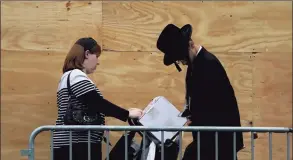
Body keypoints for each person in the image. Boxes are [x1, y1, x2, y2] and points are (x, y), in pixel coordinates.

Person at [156, 24, 244, 160]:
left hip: (219, 139)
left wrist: (195, 118)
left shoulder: (208, 64)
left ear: (190, 45)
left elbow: (215, 105)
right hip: (212, 139)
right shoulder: (196, 64)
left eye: (181, 57)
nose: (182, 62)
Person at [52, 37, 143, 160]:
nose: (98, 62)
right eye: (97, 56)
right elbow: (97, 103)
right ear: (87, 54)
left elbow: (90, 107)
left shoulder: (67, 77)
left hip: (69, 144)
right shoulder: (76, 76)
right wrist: (127, 114)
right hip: (78, 146)